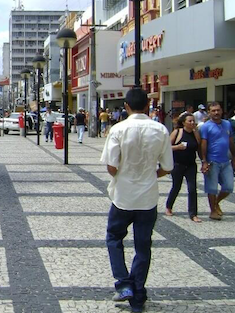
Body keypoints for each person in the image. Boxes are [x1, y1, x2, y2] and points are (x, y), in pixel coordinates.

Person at [100, 88, 174, 313]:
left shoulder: (118, 129)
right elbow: (168, 167)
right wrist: (151, 175)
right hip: (148, 198)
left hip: (122, 196)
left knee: (114, 238)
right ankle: (138, 293)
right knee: (143, 246)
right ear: (147, 105)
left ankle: (123, 283)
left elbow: (111, 166)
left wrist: (124, 176)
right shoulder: (160, 129)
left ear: (126, 107)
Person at [199, 102, 235, 221]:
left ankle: (216, 203)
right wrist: (204, 161)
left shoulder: (227, 124)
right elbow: (203, 145)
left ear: (222, 111)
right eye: (213, 111)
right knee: (212, 188)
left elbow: (230, 141)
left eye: (218, 110)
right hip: (212, 161)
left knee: (229, 186)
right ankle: (213, 211)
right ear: (209, 112)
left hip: (226, 161)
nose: (216, 113)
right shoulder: (205, 127)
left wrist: (234, 156)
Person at [165, 114, 202, 222]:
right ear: (184, 122)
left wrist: (203, 161)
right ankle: (169, 206)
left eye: (193, 121)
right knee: (176, 186)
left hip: (191, 165)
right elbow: (166, 147)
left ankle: (193, 214)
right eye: (190, 121)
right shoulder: (178, 132)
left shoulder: (195, 133)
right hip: (178, 164)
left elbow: (199, 146)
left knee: (192, 189)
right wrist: (178, 147)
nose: (192, 123)